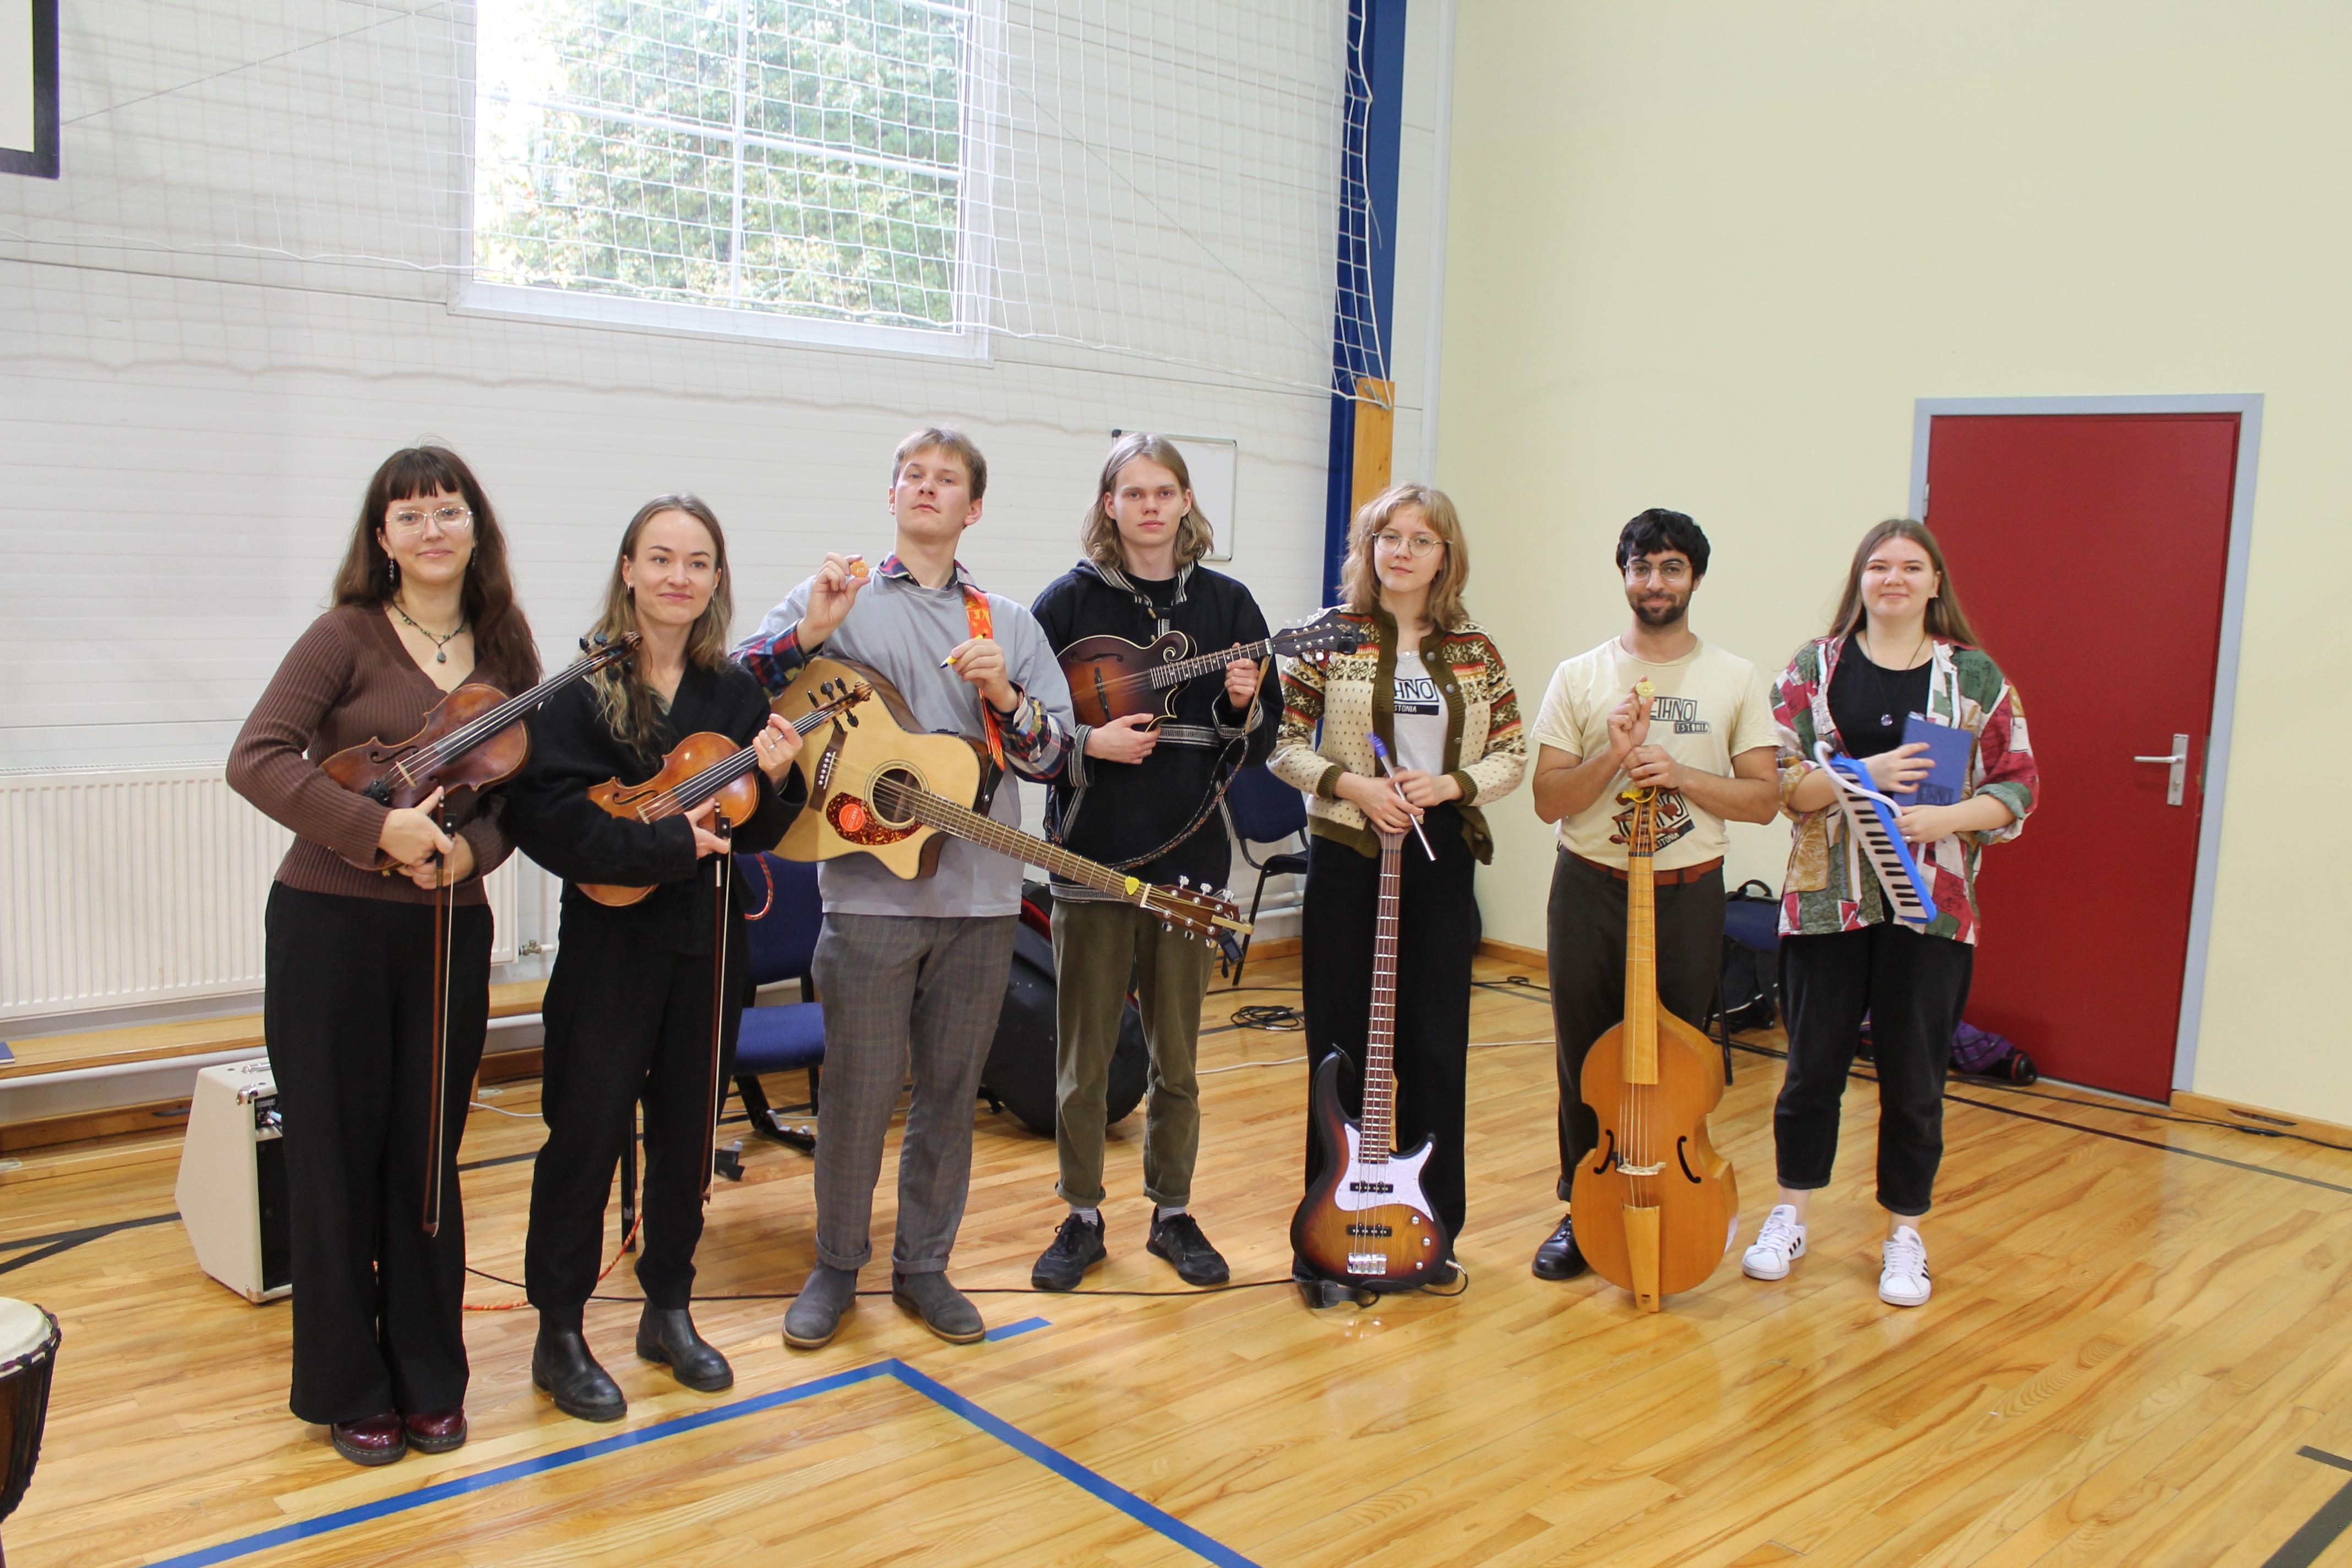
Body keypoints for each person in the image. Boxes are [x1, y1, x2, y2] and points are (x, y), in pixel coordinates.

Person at [227, 445, 541, 1466]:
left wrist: (470, 854)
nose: (432, 529)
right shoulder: (345, 635)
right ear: (383, 538)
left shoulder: (508, 649)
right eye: (411, 515)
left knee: (425, 1157)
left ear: (476, 530)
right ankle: (347, 1385)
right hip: (329, 926)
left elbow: (518, 800)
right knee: (332, 1159)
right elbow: (257, 758)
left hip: (448, 928)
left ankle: (428, 1377)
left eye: (449, 510)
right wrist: (376, 831)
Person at [736, 427, 1076, 1349]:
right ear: (891, 496)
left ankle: (925, 1267)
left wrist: (1007, 700)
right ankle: (835, 1266)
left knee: (951, 1095)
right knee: (855, 1093)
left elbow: (1055, 759)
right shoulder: (838, 598)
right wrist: (809, 633)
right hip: (866, 899)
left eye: (947, 479)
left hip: (981, 900)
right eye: (913, 476)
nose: (928, 488)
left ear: (974, 508)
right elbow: (734, 690)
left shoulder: (1009, 624)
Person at [504, 496, 803, 1420]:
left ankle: (668, 1308)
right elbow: (548, 824)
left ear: (717, 581)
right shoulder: (578, 692)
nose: (680, 576)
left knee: (686, 1137)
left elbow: (761, 828)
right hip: (611, 949)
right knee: (585, 1136)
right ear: (628, 570)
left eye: (698, 562)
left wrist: (780, 779)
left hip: (709, 945)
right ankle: (559, 1332)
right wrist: (668, 847)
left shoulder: (735, 696)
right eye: (662, 558)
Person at [1740, 518, 2037, 1307]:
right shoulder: (1814, 668)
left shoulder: (1972, 678)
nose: (1894, 579)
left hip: (1931, 913)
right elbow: (1783, 786)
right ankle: (1790, 1214)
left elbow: (2017, 785)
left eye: (1911, 567)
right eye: (1879, 566)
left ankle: (1905, 1235)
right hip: (1825, 906)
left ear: (1935, 584)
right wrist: (1862, 774)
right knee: (1810, 1072)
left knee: (1915, 1080)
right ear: (1860, 580)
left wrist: (1947, 818)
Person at [1025, 433, 1276, 1292]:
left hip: (1190, 862)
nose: (1150, 507)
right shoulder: (1065, 603)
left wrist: (1241, 707)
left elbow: (1262, 740)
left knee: (1179, 1059)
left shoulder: (1231, 606)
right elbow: (1023, 728)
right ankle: (1081, 1214)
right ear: (1110, 505)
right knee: (1083, 1060)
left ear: (1186, 501)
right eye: (1133, 493)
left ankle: (1173, 1213)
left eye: (1164, 491)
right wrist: (1088, 743)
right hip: (1090, 857)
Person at [1268, 482, 1525, 1276]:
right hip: (1350, 852)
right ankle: (1330, 1225)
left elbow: (1513, 752)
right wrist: (1356, 786)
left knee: (1435, 1042)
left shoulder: (1474, 649)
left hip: (1438, 853)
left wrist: (1449, 785)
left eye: (1421, 539)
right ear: (1368, 547)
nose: (1403, 551)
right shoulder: (1326, 638)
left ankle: (1431, 1228)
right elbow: (1282, 746)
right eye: (1389, 536)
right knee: (1340, 1044)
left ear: (1445, 556)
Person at [1525, 508, 1779, 1283]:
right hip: (1591, 888)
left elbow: (1763, 800)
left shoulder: (1734, 677)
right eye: (1642, 567)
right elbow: (1548, 799)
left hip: (1687, 893)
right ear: (1624, 575)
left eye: (1672, 567)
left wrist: (1679, 774)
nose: (1655, 582)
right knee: (1584, 1056)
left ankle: (1664, 1194)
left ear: (1694, 578)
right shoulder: (1580, 675)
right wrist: (1614, 755)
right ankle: (1583, 1206)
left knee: (1677, 1058)